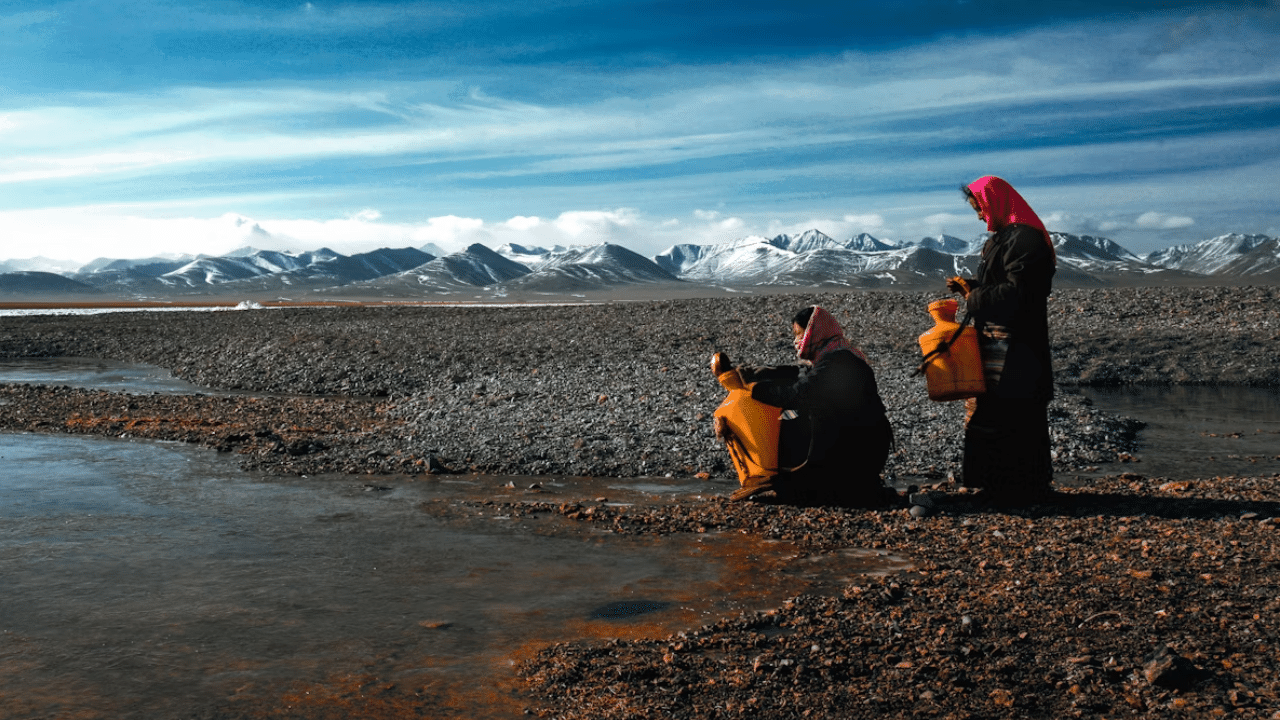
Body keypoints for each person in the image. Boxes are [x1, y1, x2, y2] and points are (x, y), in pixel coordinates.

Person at [947, 176, 1056, 505]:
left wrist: (974, 296)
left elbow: (1021, 292)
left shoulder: (1025, 239)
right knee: (999, 410)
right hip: (1000, 342)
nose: (979, 216)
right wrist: (970, 285)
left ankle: (1018, 491)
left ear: (993, 201)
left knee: (1015, 413)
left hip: (1017, 347)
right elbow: (1002, 282)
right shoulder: (1007, 238)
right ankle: (1002, 487)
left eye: (979, 207)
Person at [725, 305, 893, 508]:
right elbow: (800, 377)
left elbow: (799, 393)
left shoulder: (839, 364)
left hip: (857, 449)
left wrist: (755, 390)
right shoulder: (838, 357)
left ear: (815, 332)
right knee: (791, 419)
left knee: (794, 485)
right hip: (863, 446)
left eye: (799, 334)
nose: (795, 341)